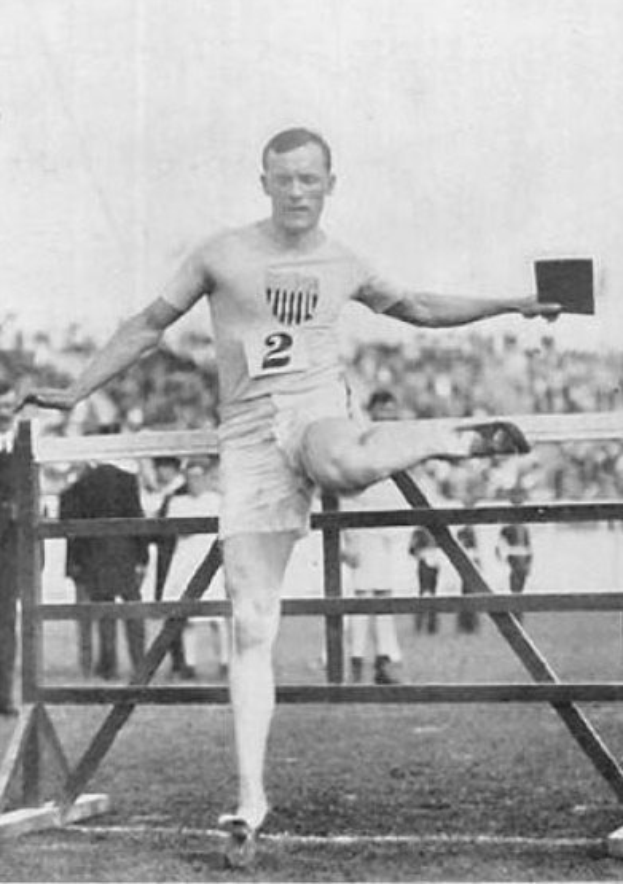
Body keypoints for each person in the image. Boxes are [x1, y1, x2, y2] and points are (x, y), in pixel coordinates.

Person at [19, 126, 559, 866]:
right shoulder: (221, 253)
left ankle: (446, 436)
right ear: (264, 182)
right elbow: (148, 326)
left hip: (314, 412)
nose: (297, 191)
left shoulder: (344, 262)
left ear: (330, 183)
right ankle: (249, 800)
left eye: (310, 179)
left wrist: (515, 303)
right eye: (284, 178)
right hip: (247, 440)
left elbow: (420, 307)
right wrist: (76, 389)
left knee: (339, 460)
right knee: (250, 622)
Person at [60, 456, 149, 679]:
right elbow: (138, 519)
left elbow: (69, 526)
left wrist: (75, 562)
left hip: (94, 555)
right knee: (133, 610)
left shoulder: (79, 485)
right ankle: (140, 663)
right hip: (125, 553)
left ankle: (109, 666)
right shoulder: (127, 480)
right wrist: (143, 557)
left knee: (104, 611)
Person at [342, 390, 407, 685]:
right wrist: (347, 539)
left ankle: (384, 660)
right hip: (363, 527)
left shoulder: (396, 444)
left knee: (383, 596)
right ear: (373, 411)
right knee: (364, 596)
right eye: (383, 410)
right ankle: (357, 661)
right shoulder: (361, 438)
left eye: (393, 411)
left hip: (388, 531)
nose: (389, 416)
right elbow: (346, 493)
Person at [160, 456, 229, 680]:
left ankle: (225, 660)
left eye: (199, 477)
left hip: (212, 562)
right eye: (190, 478)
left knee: (217, 617)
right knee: (187, 617)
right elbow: (176, 529)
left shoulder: (217, 500)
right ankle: (189, 663)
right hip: (185, 564)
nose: (194, 482)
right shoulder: (177, 502)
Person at [151, 456, 192, 677]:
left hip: (178, 558)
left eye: (163, 467)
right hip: (167, 558)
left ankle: (181, 661)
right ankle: (178, 660)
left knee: (177, 610)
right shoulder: (168, 494)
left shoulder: (180, 494)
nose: (160, 472)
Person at [0, 383, 18, 716]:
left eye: (10, 406)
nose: (5, 412)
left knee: (5, 625)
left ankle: (3, 697)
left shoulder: (25, 449)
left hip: (10, 553)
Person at [496, 486, 533, 622]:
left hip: (521, 556)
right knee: (515, 588)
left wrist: (529, 561)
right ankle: (516, 615)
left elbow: (528, 545)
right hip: (515, 556)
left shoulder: (522, 526)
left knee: (519, 588)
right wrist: (502, 556)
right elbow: (500, 543)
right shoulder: (509, 525)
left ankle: (518, 615)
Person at [409, 526, 441, 635]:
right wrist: (421, 554)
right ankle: (421, 625)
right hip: (426, 564)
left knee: (431, 594)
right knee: (425, 593)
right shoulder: (420, 532)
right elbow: (412, 549)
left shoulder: (430, 531)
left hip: (433, 564)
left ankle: (430, 626)